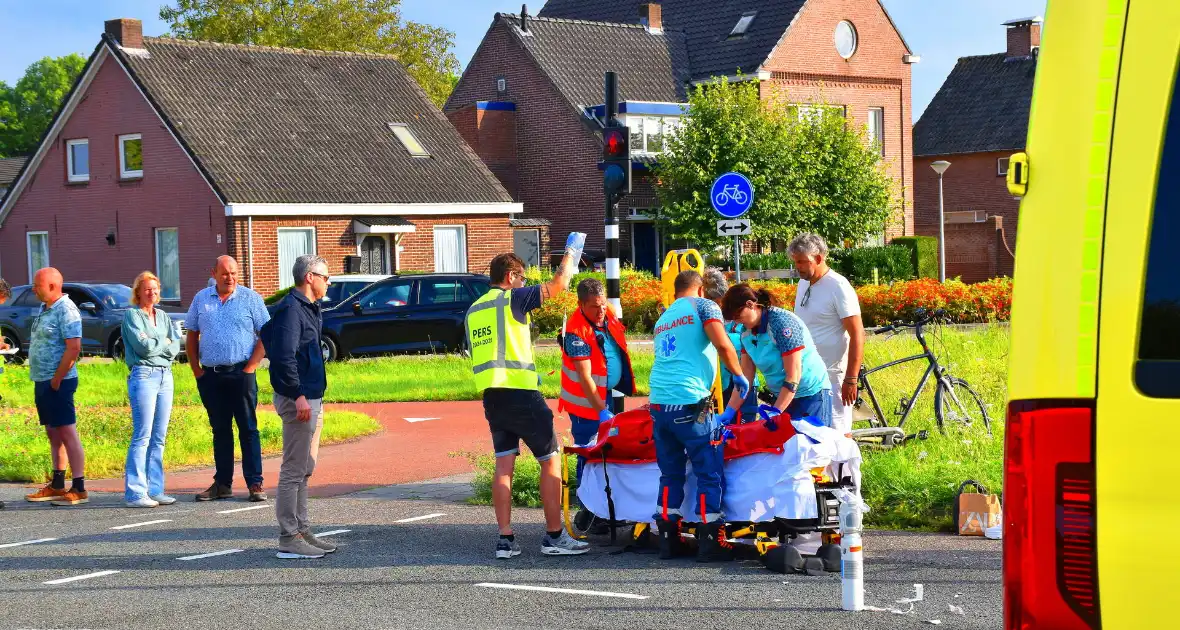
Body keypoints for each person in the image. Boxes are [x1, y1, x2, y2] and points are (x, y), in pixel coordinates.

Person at [467, 233, 591, 559]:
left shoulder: (474, 310)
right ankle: (553, 536)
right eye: (522, 277)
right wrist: (572, 251)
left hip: (492, 396)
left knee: (503, 465)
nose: (524, 282)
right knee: (550, 460)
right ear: (511, 277)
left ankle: (505, 540)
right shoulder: (514, 298)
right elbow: (560, 283)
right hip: (522, 391)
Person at [649, 270, 748, 562]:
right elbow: (722, 344)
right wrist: (740, 376)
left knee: (670, 472)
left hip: (659, 403)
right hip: (690, 402)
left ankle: (668, 540)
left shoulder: (664, 318)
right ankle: (710, 541)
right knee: (708, 470)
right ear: (701, 288)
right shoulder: (704, 307)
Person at [261, 254, 335, 560]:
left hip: (311, 396)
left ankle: (302, 530)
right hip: (299, 400)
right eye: (325, 277)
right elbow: (282, 356)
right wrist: (297, 395)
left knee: (305, 469)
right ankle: (288, 536)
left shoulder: (309, 308)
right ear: (310, 277)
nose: (328, 282)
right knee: (293, 469)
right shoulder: (292, 309)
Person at [185, 255, 271, 502]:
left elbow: (266, 333)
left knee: (248, 429)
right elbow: (192, 335)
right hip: (211, 376)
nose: (230, 277)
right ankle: (222, 483)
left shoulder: (250, 299)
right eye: (224, 273)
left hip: (241, 374)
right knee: (220, 430)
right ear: (214, 273)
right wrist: (196, 371)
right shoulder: (201, 299)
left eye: (234, 272)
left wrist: (251, 367)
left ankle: (255, 483)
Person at [721, 283, 832, 426]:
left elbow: (793, 377)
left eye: (738, 316)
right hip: (781, 396)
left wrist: (776, 412)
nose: (736, 322)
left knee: (811, 445)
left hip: (809, 395)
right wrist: (729, 411)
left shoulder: (781, 323)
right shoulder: (745, 333)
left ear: (750, 305)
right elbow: (746, 376)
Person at [23, 268, 88, 506]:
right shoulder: (45, 308)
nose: (33, 289)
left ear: (52, 286)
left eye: (37, 285)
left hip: (58, 381)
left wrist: (57, 378)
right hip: (43, 379)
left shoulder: (66, 310)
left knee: (67, 431)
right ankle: (58, 483)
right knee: (53, 432)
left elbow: (73, 347)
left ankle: (79, 487)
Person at [789, 234, 865, 433]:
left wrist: (851, 378)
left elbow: (857, 334)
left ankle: (845, 466)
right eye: (795, 261)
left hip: (834, 374)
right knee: (813, 431)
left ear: (819, 258)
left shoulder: (838, 286)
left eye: (802, 262)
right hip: (808, 373)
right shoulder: (803, 283)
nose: (798, 266)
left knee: (838, 432)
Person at [560, 278, 635, 479]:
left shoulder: (605, 314)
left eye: (603, 305)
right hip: (585, 405)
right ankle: (585, 503)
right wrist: (602, 410)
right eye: (594, 307)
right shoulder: (576, 333)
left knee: (605, 449)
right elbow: (585, 378)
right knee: (587, 451)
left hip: (604, 395)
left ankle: (601, 498)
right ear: (581, 305)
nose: (601, 311)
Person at [122, 272, 182, 508]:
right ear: (138, 292)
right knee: (142, 435)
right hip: (144, 375)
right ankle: (135, 492)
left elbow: (176, 345)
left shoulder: (164, 316)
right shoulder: (131, 316)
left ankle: (154, 489)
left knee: (159, 436)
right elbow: (143, 348)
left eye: (155, 289)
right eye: (147, 289)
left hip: (166, 376)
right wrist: (164, 342)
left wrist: (165, 343)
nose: (152, 293)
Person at [702, 267, 759, 422]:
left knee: (743, 433)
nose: (715, 306)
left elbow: (747, 343)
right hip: (716, 383)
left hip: (742, 379)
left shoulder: (738, 313)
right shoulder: (704, 315)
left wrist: (722, 339)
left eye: (717, 301)